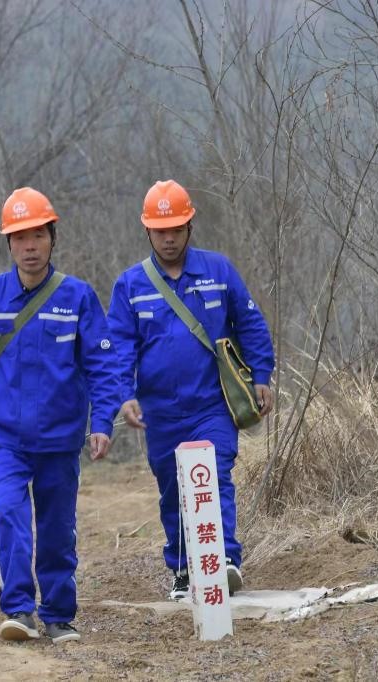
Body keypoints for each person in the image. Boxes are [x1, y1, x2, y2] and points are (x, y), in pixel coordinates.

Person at [0, 188, 123, 644]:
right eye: (20, 238)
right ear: (9, 244)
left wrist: (101, 422)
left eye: (38, 235)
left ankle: (57, 613)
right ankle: (18, 608)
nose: (30, 247)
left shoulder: (77, 297)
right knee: (8, 515)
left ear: (52, 238)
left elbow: (103, 366)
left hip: (60, 438)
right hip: (4, 437)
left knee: (57, 529)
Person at [106, 179, 275, 600]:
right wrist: (124, 395)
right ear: (148, 231)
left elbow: (251, 324)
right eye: (161, 231)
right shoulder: (130, 285)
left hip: (212, 404)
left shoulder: (218, 271)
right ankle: (183, 568)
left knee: (213, 475)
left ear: (189, 227)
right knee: (173, 488)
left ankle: (224, 559)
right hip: (159, 411)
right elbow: (119, 346)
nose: (169, 238)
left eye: (176, 230)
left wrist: (261, 375)